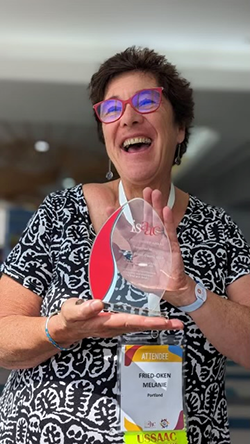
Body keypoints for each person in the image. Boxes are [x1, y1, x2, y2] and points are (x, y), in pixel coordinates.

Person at [0, 46, 249, 444]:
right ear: (105, 133)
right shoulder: (59, 213)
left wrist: (188, 292)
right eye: (111, 108)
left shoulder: (217, 229)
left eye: (147, 101)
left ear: (180, 127)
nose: (129, 116)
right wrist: (62, 328)